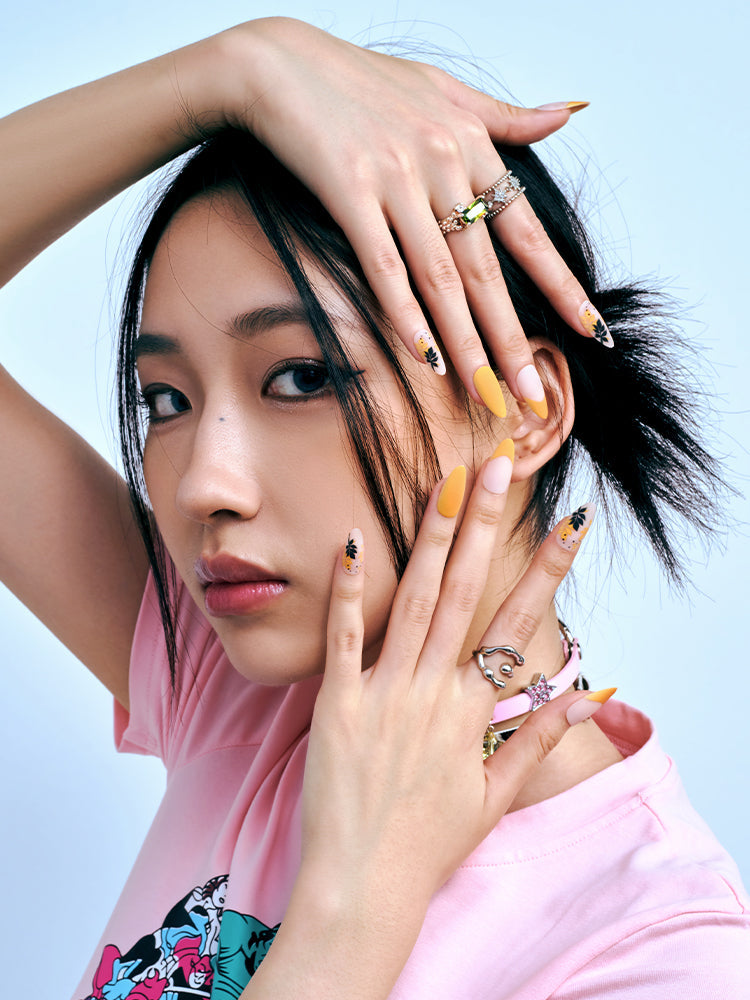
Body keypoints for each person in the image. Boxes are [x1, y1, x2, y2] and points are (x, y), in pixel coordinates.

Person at [1, 16, 747, 1000]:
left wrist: (359, 911)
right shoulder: (236, 684)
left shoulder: (654, 950)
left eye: (301, 376)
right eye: (166, 400)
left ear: (527, 407)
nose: (201, 487)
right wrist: (241, 67)